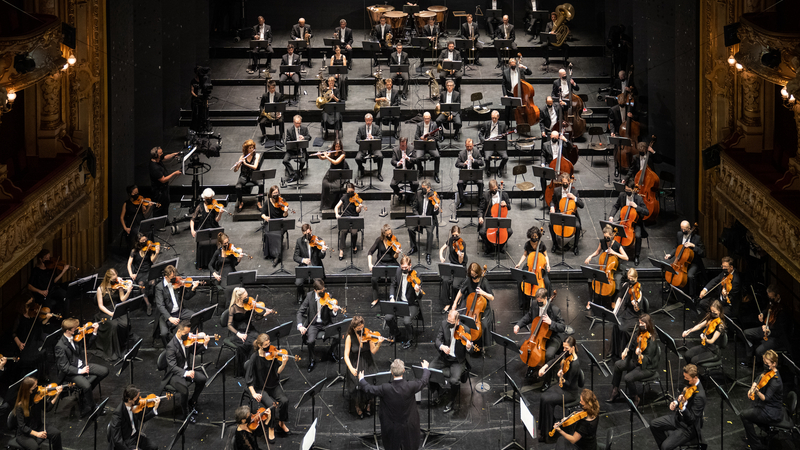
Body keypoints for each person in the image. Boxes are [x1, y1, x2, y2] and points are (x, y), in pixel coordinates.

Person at [359, 359, 430, 450]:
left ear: (391, 372)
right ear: (403, 371)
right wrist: (425, 369)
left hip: (391, 426)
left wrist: (361, 379)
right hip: (409, 425)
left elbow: (369, 389)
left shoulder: (385, 388)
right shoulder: (410, 386)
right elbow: (423, 381)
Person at [54, 318, 108, 417]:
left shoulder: (75, 337)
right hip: (71, 373)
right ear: (68, 331)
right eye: (75, 328)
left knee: (104, 371)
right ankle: (92, 408)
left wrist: (94, 332)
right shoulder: (60, 346)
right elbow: (64, 367)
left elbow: (86, 345)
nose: (78, 329)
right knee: (86, 385)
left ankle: (85, 394)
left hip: (82, 365)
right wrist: (80, 371)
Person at [514, 288, 566, 382]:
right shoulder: (534, 304)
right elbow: (529, 316)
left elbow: (562, 327)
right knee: (522, 346)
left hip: (552, 337)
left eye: (540, 302)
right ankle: (531, 367)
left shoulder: (555, 310)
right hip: (536, 335)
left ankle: (547, 380)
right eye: (537, 301)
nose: (538, 304)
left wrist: (551, 322)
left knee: (549, 355)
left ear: (546, 298)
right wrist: (518, 325)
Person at [246, 333, 290, 442]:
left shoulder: (272, 354)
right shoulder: (254, 358)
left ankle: (281, 422)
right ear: (260, 346)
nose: (269, 346)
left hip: (273, 385)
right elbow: (249, 377)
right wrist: (254, 393)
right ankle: (271, 428)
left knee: (284, 401)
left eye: (269, 343)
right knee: (271, 406)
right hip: (260, 388)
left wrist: (283, 364)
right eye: (266, 344)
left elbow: (277, 372)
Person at [650, 364, 706, 450]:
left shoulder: (700, 397)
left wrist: (682, 407)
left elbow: (692, 419)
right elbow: (684, 394)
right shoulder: (690, 385)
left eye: (687, 379)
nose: (685, 380)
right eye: (684, 377)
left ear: (695, 378)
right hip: (678, 419)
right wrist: (676, 402)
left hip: (688, 428)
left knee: (665, 447)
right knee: (654, 424)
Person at [607, 314, 659, 407]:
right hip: (636, 361)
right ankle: (615, 390)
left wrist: (640, 354)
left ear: (648, 324)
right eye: (639, 323)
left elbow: (649, 359)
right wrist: (626, 350)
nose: (640, 325)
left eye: (642, 323)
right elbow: (631, 343)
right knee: (618, 365)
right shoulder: (639, 333)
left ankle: (635, 397)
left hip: (647, 367)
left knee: (628, 378)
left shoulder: (652, 340)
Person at [162, 320, 209, 420]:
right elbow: (172, 367)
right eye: (185, 333)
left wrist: (204, 345)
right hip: (175, 374)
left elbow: (194, 352)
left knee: (202, 379)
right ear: (179, 331)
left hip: (186, 369)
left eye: (188, 333)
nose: (187, 335)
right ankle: (186, 414)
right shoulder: (171, 346)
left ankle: (192, 402)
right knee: (184, 390)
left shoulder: (187, 339)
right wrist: (186, 373)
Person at [537, 336, 581, 443]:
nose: (564, 351)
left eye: (566, 349)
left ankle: (549, 436)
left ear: (573, 348)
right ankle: (544, 430)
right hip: (562, 386)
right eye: (563, 348)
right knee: (543, 397)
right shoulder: (566, 355)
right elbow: (554, 360)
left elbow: (570, 383)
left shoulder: (575, 364)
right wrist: (544, 367)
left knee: (547, 400)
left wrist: (561, 376)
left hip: (570, 392)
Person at [431, 310, 475, 413]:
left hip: (457, 360)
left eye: (451, 321)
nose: (448, 322)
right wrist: (442, 347)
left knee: (454, 381)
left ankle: (451, 401)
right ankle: (440, 390)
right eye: (448, 319)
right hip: (444, 357)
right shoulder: (444, 324)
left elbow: (471, 351)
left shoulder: (466, 330)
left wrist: (469, 347)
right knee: (429, 370)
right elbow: (437, 340)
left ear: (457, 321)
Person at [740, 350, 782, 450]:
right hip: (766, 406)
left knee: (744, 415)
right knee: (751, 409)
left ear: (774, 363)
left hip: (771, 410)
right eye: (764, 363)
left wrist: (757, 391)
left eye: (767, 364)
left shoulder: (775, 381)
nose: (765, 365)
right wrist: (752, 388)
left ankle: (756, 446)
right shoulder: (769, 371)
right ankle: (768, 431)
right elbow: (759, 377)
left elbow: (766, 398)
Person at [296, 279, 341, 372]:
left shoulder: (328, 296)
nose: (323, 293)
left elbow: (331, 314)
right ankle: (312, 359)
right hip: (314, 325)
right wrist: (300, 326)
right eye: (320, 291)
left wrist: (334, 311)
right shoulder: (309, 296)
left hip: (326, 323)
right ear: (315, 290)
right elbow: (300, 312)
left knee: (338, 336)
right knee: (310, 341)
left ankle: (331, 351)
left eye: (323, 290)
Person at [344, 316, 384, 417]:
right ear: (353, 328)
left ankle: (369, 404)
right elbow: (346, 355)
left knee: (371, 380)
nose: (361, 330)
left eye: (362, 327)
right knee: (357, 383)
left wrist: (378, 343)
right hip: (354, 363)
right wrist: (351, 368)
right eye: (358, 328)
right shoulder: (349, 337)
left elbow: (373, 351)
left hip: (367, 361)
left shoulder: (367, 334)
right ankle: (357, 406)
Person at [229, 288, 272, 377]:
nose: (248, 299)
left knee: (257, 341)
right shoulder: (233, 308)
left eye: (247, 296)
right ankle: (246, 369)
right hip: (238, 332)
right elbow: (229, 325)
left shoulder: (249, 306)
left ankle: (256, 367)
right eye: (245, 297)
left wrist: (264, 314)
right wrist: (239, 334)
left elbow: (256, 318)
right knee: (246, 345)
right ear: (239, 299)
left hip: (250, 330)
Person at [584, 225, 629, 306]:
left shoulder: (617, 245)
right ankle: (590, 300)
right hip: (603, 266)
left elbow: (626, 257)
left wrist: (614, 252)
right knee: (590, 278)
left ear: (612, 235)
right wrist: (590, 256)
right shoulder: (602, 242)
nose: (606, 239)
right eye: (605, 237)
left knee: (618, 282)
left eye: (608, 237)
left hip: (614, 268)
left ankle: (613, 300)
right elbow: (597, 252)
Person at [13, 377, 63, 450]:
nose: (37, 389)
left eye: (37, 385)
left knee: (56, 434)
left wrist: (57, 395)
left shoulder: (38, 397)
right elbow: (22, 427)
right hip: (24, 434)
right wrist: (37, 434)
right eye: (34, 387)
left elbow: (47, 408)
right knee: (35, 447)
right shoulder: (20, 406)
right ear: (28, 390)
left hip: (38, 426)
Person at [743, 285, 788, 364]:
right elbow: (768, 309)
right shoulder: (772, 302)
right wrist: (763, 314)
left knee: (759, 351)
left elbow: (781, 332)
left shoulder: (783, 311)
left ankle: (761, 365)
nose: (770, 299)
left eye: (772, 297)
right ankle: (749, 359)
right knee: (746, 333)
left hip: (775, 336)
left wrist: (769, 331)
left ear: (778, 296)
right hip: (765, 328)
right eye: (769, 297)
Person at [608, 177, 649, 266]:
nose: (627, 192)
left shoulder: (638, 199)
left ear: (634, 190)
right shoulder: (622, 195)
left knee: (638, 236)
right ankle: (616, 252)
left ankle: (636, 256)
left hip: (635, 222)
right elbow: (616, 206)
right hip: (624, 220)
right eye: (626, 190)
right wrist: (611, 216)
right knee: (615, 232)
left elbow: (647, 212)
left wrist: (636, 207)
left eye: (629, 190)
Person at [95, 269, 133, 361]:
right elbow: (100, 305)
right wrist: (110, 313)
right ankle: (115, 350)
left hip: (117, 309)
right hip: (106, 311)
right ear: (108, 279)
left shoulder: (118, 285)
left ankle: (122, 344)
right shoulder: (100, 289)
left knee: (124, 324)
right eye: (113, 279)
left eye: (116, 278)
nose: (115, 280)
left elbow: (122, 299)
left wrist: (127, 291)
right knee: (114, 325)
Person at [154, 265, 199, 343]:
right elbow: (160, 306)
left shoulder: (177, 283)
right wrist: (170, 318)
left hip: (180, 311)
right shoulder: (159, 287)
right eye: (172, 278)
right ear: (166, 277)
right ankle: (169, 349)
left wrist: (193, 289)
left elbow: (186, 297)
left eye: (175, 276)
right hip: (167, 314)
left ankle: (192, 341)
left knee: (196, 317)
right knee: (164, 334)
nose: (174, 279)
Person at [385, 256, 422, 348]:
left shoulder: (417, 275)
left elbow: (420, 296)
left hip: (411, 303)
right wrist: (392, 297)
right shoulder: (398, 271)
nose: (404, 270)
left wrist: (417, 290)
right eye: (403, 268)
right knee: (388, 317)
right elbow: (393, 285)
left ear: (410, 265)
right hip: (399, 301)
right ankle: (395, 333)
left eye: (406, 268)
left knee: (406, 321)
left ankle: (410, 338)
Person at [109, 384, 160, 450]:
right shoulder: (118, 414)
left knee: (154, 447)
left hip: (136, 436)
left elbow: (143, 418)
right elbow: (117, 440)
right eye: (136, 398)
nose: (139, 400)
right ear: (130, 400)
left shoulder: (135, 406)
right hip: (127, 442)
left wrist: (155, 409)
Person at [663, 221, 705, 298]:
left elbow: (703, 253)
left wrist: (693, 246)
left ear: (689, 228)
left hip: (693, 262)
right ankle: (673, 290)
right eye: (681, 229)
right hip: (680, 261)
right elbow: (677, 247)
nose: (683, 231)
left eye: (684, 229)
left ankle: (692, 296)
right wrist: (670, 255)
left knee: (690, 276)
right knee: (671, 270)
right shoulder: (679, 234)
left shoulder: (697, 238)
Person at [12, 298, 51, 379]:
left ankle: (42, 375)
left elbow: (40, 325)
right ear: (23, 307)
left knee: (42, 350)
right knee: (34, 354)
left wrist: (47, 318)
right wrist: (19, 344)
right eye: (28, 306)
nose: (31, 308)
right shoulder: (19, 318)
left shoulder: (33, 314)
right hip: (24, 341)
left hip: (34, 338)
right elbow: (13, 333)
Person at [610, 268, 645, 357]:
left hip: (635, 315)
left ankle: (625, 352)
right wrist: (615, 311)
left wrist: (635, 304)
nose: (631, 281)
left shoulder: (639, 289)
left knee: (623, 329)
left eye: (632, 278)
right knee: (616, 324)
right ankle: (614, 351)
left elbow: (638, 308)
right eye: (629, 278)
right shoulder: (626, 285)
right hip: (626, 312)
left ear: (636, 277)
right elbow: (619, 298)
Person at [514, 228, 551, 309]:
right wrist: (519, 264)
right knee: (520, 281)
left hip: (540, 267)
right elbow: (524, 255)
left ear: (538, 235)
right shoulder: (527, 244)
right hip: (530, 266)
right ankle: (523, 303)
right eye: (533, 236)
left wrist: (548, 265)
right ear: (530, 236)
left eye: (536, 236)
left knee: (547, 282)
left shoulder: (542, 244)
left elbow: (546, 255)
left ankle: (547, 302)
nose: (534, 237)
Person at [549, 172, 584, 255]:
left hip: (571, 215)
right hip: (560, 213)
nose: (565, 184)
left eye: (566, 183)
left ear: (569, 182)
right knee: (550, 225)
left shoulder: (574, 191)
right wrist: (552, 207)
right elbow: (552, 201)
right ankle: (555, 244)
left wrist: (574, 198)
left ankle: (575, 246)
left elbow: (582, 205)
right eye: (563, 182)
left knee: (578, 226)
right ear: (561, 182)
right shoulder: (557, 191)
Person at [367, 225, 402, 307]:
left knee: (395, 278)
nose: (390, 236)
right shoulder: (379, 240)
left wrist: (397, 252)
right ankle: (375, 298)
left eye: (390, 233)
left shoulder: (394, 239)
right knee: (374, 279)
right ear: (383, 234)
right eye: (387, 234)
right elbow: (370, 252)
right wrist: (370, 264)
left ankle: (393, 297)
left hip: (392, 262)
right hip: (381, 262)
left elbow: (395, 256)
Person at [190, 188, 225, 270]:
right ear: (204, 199)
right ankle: (202, 263)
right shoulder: (200, 206)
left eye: (211, 199)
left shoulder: (214, 205)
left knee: (213, 244)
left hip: (213, 227)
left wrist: (220, 214)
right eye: (208, 199)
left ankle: (213, 263)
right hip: (203, 229)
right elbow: (192, 219)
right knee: (202, 245)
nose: (210, 201)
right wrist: (192, 229)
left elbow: (217, 220)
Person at [681, 300, 725, 365]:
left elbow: (712, 341)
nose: (712, 313)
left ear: (719, 311)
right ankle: (690, 373)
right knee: (687, 355)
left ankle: (694, 374)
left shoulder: (720, 325)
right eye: (711, 311)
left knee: (694, 360)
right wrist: (689, 331)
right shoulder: (711, 319)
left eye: (714, 312)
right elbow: (700, 326)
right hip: (705, 346)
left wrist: (706, 339)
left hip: (713, 351)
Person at [408, 180, 440, 265]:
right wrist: (418, 216)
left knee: (430, 232)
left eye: (424, 189)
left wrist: (436, 208)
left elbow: (436, 213)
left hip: (429, 219)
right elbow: (414, 208)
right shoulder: (418, 194)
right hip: (419, 217)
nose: (422, 190)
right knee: (410, 228)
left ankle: (428, 254)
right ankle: (414, 247)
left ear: (429, 188)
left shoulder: (434, 196)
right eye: (422, 188)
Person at [294, 224, 327, 303]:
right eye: (305, 234)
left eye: (308, 233)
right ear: (302, 233)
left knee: (319, 283)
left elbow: (321, 257)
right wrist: (303, 260)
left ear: (311, 231)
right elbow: (295, 256)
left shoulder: (318, 240)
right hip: (304, 267)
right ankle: (302, 294)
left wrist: (322, 250)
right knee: (298, 283)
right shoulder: (299, 241)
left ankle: (318, 296)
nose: (307, 235)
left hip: (315, 267)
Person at [127, 233, 158, 315]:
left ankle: (153, 298)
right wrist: (131, 274)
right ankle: (148, 304)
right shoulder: (134, 251)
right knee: (141, 285)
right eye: (143, 241)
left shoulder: (149, 248)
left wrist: (156, 253)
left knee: (153, 282)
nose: (145, 242)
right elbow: (129, 264)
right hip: (139, 273)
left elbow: (152, 260)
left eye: (145, 240)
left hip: (149, 271)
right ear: (138, 241)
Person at [478, 179, 513, 252]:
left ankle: (500, 247)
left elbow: (509, 207)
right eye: (492, 189)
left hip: (501, 218)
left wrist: (506, 205)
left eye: (495, 189)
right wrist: (480, 217)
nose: (494, 190)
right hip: (489, 218)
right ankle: (490, 247)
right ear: (489, 188)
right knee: (482, 232)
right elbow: (480, 209)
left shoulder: (504, 195)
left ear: (497, 186)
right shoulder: (486, 195)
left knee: (509, 231)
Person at [209, 232, 243, 308]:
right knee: (229, 289)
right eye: (225, 243)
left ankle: (239, 307)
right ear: (220, 243)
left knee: (239, 287)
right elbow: (210, 265)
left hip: (232, 272)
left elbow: (235, 264)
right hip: (223, 275)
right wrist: (214, 274)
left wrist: (239, 258)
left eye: (228, 242)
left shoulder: (231, 250)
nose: (227, 244)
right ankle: (230, 308)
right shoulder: (217, 252)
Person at [260, 185, 290, 266]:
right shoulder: (267, 202)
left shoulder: (282, 201)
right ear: (271, 194)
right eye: (274, 193)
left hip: (280, 222)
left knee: (277, 235)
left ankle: (277, 256)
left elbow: (284, 215)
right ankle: (270, 253)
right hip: (270, 222)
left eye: (277, 192)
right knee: (268, 233)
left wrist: (286, 211)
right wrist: (266, 218)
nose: (276, 194)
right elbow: (262, 214)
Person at [439, 226, 468, 307]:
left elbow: (460, 261)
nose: (455, 237)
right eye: (453, 235)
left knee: (455, 285)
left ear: (459, 234)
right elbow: (441, 249)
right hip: (452, 266)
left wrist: (460, 255)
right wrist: (441, 256)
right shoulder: (450, 240)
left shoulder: (462, 244)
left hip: (460, 266)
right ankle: (447, 303)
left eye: (456, 235)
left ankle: (456, 301)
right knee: (445, 280)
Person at [149, 146, 181, 219]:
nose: (162, 154)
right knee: (159, 207)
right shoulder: (154, 168)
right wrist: (174, 173)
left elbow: (165, 157)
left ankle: (164, 221)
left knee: (165, 205)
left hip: (164, 189)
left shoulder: (157, 159)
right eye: (161, 153)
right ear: (156, 155)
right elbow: (163, 180)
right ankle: (158, 224)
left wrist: (174, 154)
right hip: (159, 191)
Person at [335, 183, 362, 259]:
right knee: (343, 231)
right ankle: (341, 250)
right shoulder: (344, 197)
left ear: (354, 190)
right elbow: (336, 207)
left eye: (352, 191)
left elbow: (357, 211)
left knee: (354, 232)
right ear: (346, 191)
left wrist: (359, 207)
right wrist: (337, 214)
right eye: (349, 191)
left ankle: (354, 245)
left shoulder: (357, 197)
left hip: (354, 218)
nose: (350, 193)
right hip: (345, 219)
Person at [501, 58, 532, 125]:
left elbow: (530, 73)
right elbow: (503, 85)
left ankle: (523, 122)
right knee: (507, 109)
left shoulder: (520, 70)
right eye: (512, 65)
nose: (513, 67)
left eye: (514, 65)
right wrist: (505, 94)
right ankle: (507, 124)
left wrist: (524, 67)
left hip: (520, 93)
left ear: (516, 64)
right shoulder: (506, 72)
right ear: (509, 65)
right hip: (510, 93)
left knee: (523, 108)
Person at [120, 184, 152, 249]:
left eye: (137, 193)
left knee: (150, 231)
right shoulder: (126, 204)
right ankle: (136, 251)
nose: (137, 195)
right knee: (136, 232)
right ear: (130, 194)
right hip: (132, 225)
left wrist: (149, 207)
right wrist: (125, 228)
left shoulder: (140, 202)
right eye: (134, 193)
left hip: (141, 222)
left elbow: (145, 214)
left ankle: (148, 250)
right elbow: (121, 217)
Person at [455, 138, 484, 208]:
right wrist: (463, 164)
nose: (469, 148)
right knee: (460, 183)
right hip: (465, 173)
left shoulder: (477, 152)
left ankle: (480, 200)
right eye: (467, 146)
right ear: (465, 145)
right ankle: (461, 201)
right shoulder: (461, 153)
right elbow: (457, 164)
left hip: (475, 173)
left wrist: (474, 160)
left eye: (470, 146)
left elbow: (482, 163)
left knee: (481, 182)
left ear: (473, 145)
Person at [319, 140, 349, 210]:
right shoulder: (332, 152)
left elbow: (335, 162)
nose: (337, 148)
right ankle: (325, 205)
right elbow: (323, 158)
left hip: (339, 174)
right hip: (331, 172)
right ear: (334, 146)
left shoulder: (342, 154)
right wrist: (320, 156)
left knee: (335, 186)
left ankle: (333, 204)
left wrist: (327, 156)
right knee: (325, 184)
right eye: (336, 146)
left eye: (339, 147)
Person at [234, 140, 262, 210]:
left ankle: (259, 201)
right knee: (238, 187)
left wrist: (245, 164)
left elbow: (255, 167)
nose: (252, 149)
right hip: (244, 176)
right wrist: (236, 165)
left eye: (253, 147)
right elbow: (236, 170)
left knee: (261, 184)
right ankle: (241, 202)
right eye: (250, 148)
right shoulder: (242, 157)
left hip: (254, 175)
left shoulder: (257, 155)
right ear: (246, 149)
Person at [414, 111, 442, 182]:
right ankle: (420, 170)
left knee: (437, 156)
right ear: (423, 118)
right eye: (425, 118)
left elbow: (437, 137)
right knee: (417, 157)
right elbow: (416, 136)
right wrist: (421, 139)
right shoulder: (419, 125)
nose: (427, 120)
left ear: (430, 118)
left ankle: (436, 173)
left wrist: (430, 139)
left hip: (430, 145)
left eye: (428, 118)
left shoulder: (434, 125)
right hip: (421, 145)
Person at [283, 115, 311, 183]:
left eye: (299, 123)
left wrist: (304, 138)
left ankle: (300, 170)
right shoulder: (289, 130)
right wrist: (290, 142)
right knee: (285, 161)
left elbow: (309, 137)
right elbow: (287, 141)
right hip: (291, 150)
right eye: (296, 123)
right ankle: (293, 174)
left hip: (301, 149)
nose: (298, 124)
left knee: (302, 161)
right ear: (293, 122)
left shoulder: (304, 128)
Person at [390, 137, 419, 202]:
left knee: (416, 184)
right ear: (399, 144)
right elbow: (392, 161)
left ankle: (409, 195)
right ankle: (399, 194)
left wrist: (408, 158)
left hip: (410, 171)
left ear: (407, 144)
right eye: (401, 145)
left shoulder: (411, 148)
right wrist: (398, 163)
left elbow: (416, 160)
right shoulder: (395, 149)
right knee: (392, 184)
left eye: (404, 145)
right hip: (399, 171)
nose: (402, 147)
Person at [355, 114, 383, 180]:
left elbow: (380, 138)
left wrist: (373, 137)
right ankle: (361, 169)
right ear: (365, 120)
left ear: (372, 120)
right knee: (357, 158)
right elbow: (357, 139)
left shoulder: (377, 127)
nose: (368, 122)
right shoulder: (361, 128)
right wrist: (363, 142)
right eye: (367, 120)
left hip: (374, 148)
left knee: (380, 156)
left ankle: (379, 173)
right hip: (364, 148)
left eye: (370, 120)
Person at [259, 81, 286, 147]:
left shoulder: (279, 95)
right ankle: (264, 136)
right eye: (271, 88)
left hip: (277, 114)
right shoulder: (265, 96)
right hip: (268, 114)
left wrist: (280, 114)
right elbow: (261, 105)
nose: (272, 90)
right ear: (268, 88)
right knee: (261, 122)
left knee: (281, 121)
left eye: (273, 88)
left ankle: (281, 136)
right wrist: (263, 111)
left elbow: (282, 106)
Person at [190, 66, 211, 133]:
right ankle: (195, 128)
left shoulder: (203, 81)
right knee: (195, 114)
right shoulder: (193, 81)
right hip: (196, 100)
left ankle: (203, 128)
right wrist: (196, 96)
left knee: (203, 114)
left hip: (202, 100)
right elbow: (192, 91)